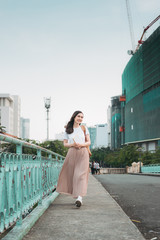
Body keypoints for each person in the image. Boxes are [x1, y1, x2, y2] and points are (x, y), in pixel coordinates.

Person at [56, 110, 91, 208]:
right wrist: (73, 144)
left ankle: (79, 198)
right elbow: (65, 144)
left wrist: (81, 144)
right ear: (74, 117)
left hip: (83, 152)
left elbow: (88, 142)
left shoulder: (84, 128)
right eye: (78, 116)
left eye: (82, 117)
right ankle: (76, 195)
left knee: (80, 175)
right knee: (73, 175)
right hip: (72, 152)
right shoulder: (68, 130)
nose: (80, 118)